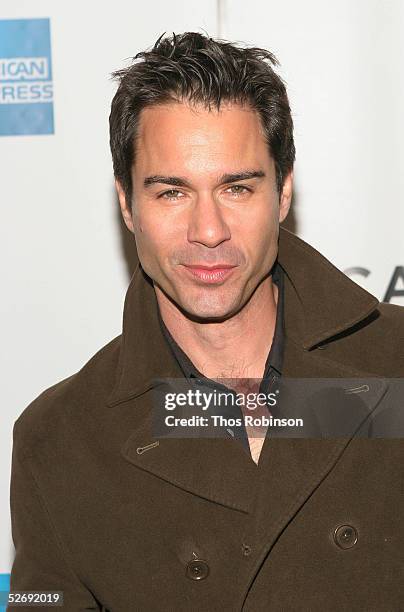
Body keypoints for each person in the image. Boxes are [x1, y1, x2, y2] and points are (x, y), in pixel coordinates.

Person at [8, 31, 404, 612]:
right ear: (126, 203)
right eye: (172, 192)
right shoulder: (59, 441)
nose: (209, 230)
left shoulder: (394, 363)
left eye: (236, 187)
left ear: (284, 191)